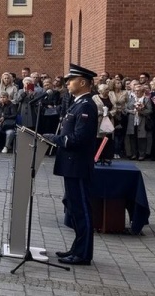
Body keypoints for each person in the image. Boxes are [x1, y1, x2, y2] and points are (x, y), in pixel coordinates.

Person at [42, 63, 98, 266]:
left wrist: (54, 139)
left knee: (82, 209)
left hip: (78, 165)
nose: (67, 83)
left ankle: (83, 253)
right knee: (74, 208)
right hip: (70, 165)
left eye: (71, 80)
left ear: (83, 82)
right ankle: (77, 248)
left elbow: (78, 139)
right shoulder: (76, 103)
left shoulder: (86, 106)